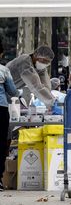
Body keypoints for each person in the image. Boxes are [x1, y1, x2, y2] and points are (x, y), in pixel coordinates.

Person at [0, 43, 20, 191]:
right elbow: (13, 92)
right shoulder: (3, 70)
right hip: (0, 109)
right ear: (1, 54)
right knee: (1, 144)